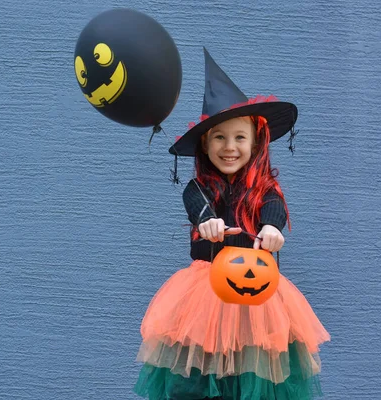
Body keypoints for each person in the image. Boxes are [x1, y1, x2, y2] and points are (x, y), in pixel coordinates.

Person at [133, 48, 330, 400]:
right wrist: (207, 221)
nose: (230, 147)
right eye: (219, 138)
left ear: (255, 143)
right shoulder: (199, 189)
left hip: (259, 302)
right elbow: (198, 207)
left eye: (239, 137)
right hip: (206, 296)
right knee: (202, 376)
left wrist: (271, 229)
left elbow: (273, 210)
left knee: (255, 374)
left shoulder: (266, 189)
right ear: (205, 144)